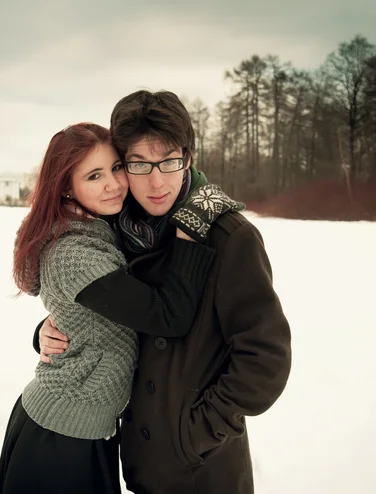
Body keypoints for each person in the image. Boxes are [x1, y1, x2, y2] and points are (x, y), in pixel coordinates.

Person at [35, 90, 292, 494]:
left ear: (188, 157)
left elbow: (266, 358)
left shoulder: (229, 238)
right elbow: (118, 311)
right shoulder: (118, 232)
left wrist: (195, 434)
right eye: (138, 164)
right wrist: (49, 329)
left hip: (202, 470)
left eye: (169, 161)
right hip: (139, 463)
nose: (157, 182)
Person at [0, 122, 238, 494]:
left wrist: (47, 326)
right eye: (94, 175)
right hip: (58, 438)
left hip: (86, 427)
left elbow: (95, 311)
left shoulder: (100, 228)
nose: (114, 184)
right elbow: (166, 316)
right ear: (64, 187)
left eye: (117, 168)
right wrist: (188, 235)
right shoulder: (74, 253)